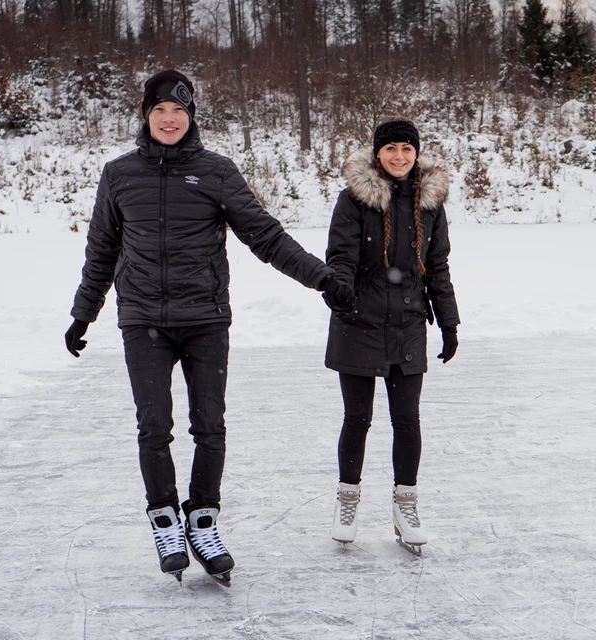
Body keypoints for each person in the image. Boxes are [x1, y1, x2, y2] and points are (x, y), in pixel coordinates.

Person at [64, 69, 353, 584]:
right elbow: (102, 251)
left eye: (179, 111)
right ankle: (164, 519)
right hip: (143, 319)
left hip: (205, 320)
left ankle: (202, 520)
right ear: (146, 116)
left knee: (210, 426)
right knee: (154, 427)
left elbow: (265, 236)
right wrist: (83, 312)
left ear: (191, 117)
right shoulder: (118, 174)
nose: (169, 119)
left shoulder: (216, 172)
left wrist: (321, 278)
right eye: (159, 111)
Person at [323, 116, 460, 555]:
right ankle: (347, 501)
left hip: (407, 326)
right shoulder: (353, 200)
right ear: (377, 153)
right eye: (390, 149)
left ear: (416, 154)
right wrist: (339, 290)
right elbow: (339, 256)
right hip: (359, 321)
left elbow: (436, 266)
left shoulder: (430, 204)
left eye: (406, 149)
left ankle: (406, 505)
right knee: (357, 419)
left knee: (407, 420)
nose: (399, 157)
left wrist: (449, 320)